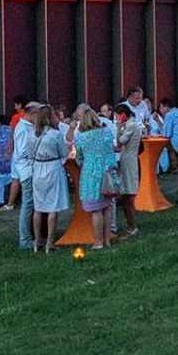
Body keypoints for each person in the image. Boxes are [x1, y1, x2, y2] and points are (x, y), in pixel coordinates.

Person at [24, 105, 69, 252]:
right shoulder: (55, 135)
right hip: (52, 168)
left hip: (38, 169)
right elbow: (64, 154)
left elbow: (29, 156)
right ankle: (50, 241)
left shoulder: (31, 135)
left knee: (38, 206)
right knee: (52, 207)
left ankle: (37, 240)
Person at [74, 107, 117, 250]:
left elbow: (79, 157)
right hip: (107, 172)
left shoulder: (82, 137)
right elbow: (111, 149)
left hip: (91, 174)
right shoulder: (106, 132)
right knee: (107, 206)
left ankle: (98, 242)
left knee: (96, 210)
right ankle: (107, 239)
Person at [9, 102, 39, 249]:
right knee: (27, 204)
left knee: (31, 204)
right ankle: (24, 239)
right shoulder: (22, 128)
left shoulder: (28, 127)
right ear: (32, 114)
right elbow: (21, 152)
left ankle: (32, 234)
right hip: (26, 170)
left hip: (30, 169)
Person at [113, 103, 141, 240]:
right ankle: (131, 226)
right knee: (126, 197)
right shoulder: (131, 125)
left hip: (129, 162)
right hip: (127, 159)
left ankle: (132, 226)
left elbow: (119, 142)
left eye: (117, 117)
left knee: (127, 196)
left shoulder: (130, 125)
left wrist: (118, 128)